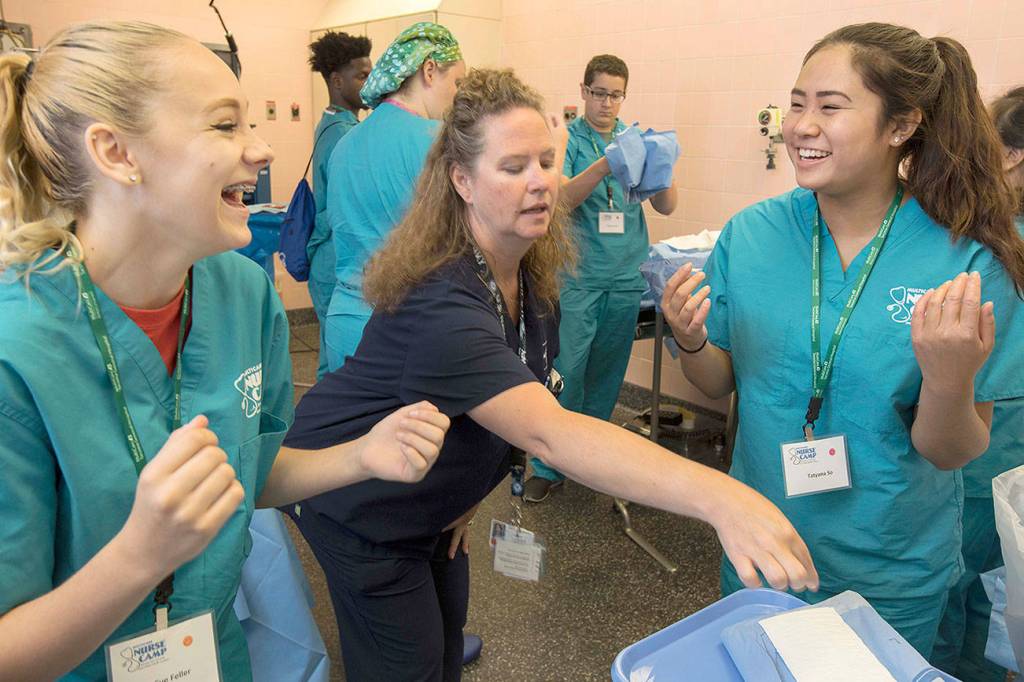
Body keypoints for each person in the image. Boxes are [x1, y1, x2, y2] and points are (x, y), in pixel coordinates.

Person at [283, 67, 819, 682]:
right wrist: (725, 498)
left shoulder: (530, 271)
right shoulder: (442, 302)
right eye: (513, 168)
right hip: (359, 506)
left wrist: (461, 493)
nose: (540, 182)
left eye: (545, 161)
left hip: (429, 498)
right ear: (461, 180)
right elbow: (549, 433)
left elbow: (517, 395)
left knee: (444, 636)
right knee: (404, 664)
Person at [0, 21, 449, 681]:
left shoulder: (239, 292)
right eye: (223, 125)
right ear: (116, 152)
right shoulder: (20, 347)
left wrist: (361, 456)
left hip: (207, 658)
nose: (260, 149)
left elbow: (246, 474)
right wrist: (139, 556)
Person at [661, 23, 1024, 658]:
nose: (801, 124)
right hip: (761, 545)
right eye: (797, 103)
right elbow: (720, 382)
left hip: (891, 567)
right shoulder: (751, 236)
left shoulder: (964, 259)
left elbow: (951, 451)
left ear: (900, 125)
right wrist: (691, 341)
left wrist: (948, 379)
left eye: (830, 107)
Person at [525, 54, 679, 503]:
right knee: (568, 369)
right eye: (599, 92)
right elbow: (562, 199)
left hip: (625, 276)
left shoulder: (635, 140)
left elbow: (666, 206)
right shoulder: (569, 139)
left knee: (609, 371)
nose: (607, 103)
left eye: (615, 94)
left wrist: (661, 165)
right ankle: (547, 464)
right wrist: (605, 165)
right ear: (584, 91)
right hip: (580, 277)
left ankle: (590, 458)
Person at [932, 85, 1024, 681]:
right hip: (989, 426)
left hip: (996, 429)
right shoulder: (984, 239)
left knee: (967, 582)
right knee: (983, 582)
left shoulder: (981, 240)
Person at [323, 21, 465, 370]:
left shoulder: (345, 143)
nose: (458, 96)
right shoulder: (438, 142)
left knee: (354, 425)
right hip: (403, 328)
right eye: (458, 83)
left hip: (344, 321)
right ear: (429, 70)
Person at [306, 31, 372, 379]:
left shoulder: (333, 123)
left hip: (329, 257)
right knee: (338, 368)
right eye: (362, 75)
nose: (370, 81)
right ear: (336, 80)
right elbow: (348, 205)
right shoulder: (344, 134)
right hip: (334, 261)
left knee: (332, 360)